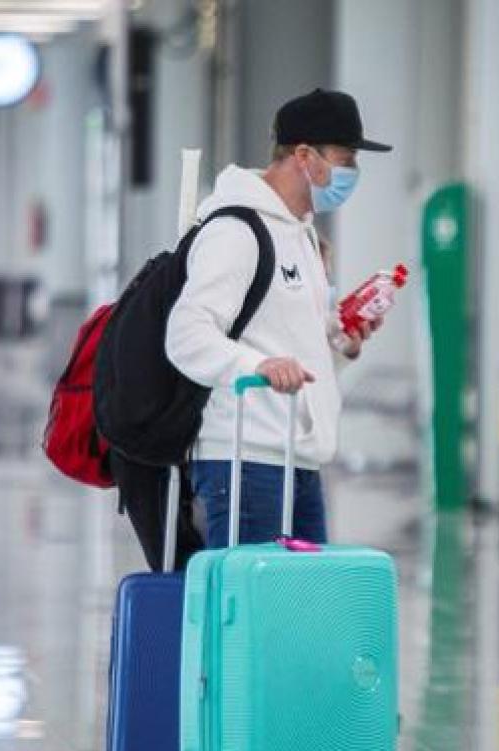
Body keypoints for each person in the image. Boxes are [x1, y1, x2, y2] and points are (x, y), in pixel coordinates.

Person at [165, 88, 391, 548]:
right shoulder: (236, 230)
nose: (353, 172)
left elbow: (285, 344)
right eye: (346, 158)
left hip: (298, 458)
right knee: (256, 611)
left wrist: (340, 343)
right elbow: (185, 334)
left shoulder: (301, 236)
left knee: (299, 611)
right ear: (305, 156)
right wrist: (255, 367)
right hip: (244, 460)